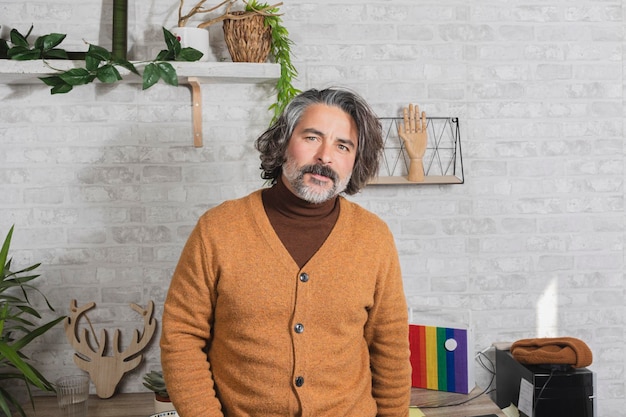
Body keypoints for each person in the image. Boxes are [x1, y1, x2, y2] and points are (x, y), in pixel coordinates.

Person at [160, 87, 412, 417]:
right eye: (312, 137)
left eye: (343, 145)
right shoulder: (217, 230)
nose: (325, 156)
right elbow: (181, 338)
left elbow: (389, 347)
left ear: (355, 160)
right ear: (283, 142)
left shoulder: (373, 238)